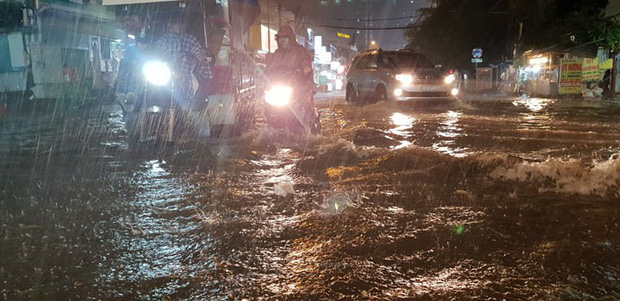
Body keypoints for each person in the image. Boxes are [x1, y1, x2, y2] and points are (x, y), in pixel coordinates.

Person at [154, 15, 213, 110]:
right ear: (170, 25)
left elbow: (198, 51)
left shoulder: (189, 39)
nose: (179, 26)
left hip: (186, 76)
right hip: (166, 76)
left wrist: (201, 56)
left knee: (197, 104)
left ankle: (192, 114)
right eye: (176, 23)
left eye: (181, 23)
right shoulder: (163, 40)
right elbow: (157, 56)